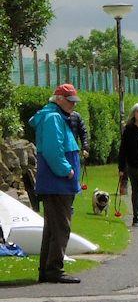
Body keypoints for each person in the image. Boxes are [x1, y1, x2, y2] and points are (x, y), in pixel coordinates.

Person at [29, 84, 83, 284]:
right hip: (58, 182)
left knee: (52, 228)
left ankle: (47, 269)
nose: (73, 106)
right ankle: (54, 269)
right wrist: (67, 171)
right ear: (59, 98)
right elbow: (53, 150)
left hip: (55, 183)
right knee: (61, 227)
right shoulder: (53, 118)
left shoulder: (54, 116)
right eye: (70, 101)